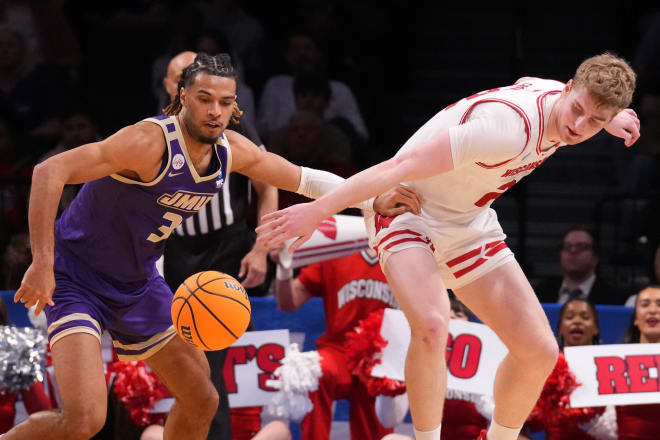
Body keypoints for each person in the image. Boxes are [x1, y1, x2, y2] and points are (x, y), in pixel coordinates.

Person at [7, 52, 410, 440]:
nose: (215, 110)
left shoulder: (231, 149)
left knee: (202, 399)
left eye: (224, 102)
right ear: (183, 96)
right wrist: (43, 263)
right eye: (204, 99)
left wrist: (372, 201)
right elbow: (49, 171)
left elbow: (302, 178)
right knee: (84, 421)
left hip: (138, 284)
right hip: (78, 277)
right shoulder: (148, 142)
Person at [256, 52, 640, 440]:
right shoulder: (504, 128)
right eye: (577, 110)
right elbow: (395, 167)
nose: (578, 125)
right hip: (406, 208)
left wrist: (610, 119)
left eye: (595, 121)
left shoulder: (562, 97)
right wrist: (316, 212)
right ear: (569, 89)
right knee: (434, 323)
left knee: (539, 351)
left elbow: (532, 80)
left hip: (468, 223)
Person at [161, 49, 277, 440]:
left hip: (226, 246)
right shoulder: (153, 133)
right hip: (174, 249)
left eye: (222, 100)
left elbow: (271, 183)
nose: (214, 107)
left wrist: (261, 247)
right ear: (177, 89)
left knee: (209, 359)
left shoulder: (233, 131)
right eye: (200, 92)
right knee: (185, 363)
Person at [274, 241, 408, 440]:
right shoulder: (337, 247)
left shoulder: (411, 254)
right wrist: (284, 268)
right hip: (338, 351)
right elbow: (288, 303)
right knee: (313, 371)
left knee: (381, 410)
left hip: (382, 359)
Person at [616, 286, 660, 439]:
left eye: (659, 304)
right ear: (635, 318)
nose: (653, 310)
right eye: (645, 304)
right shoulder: (614, 361)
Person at [535, 226, 620, 305]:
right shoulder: (542, 292)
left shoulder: (613, 298)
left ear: (595, 258)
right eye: (567, 246)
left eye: (581, 247)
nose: (573, 251)